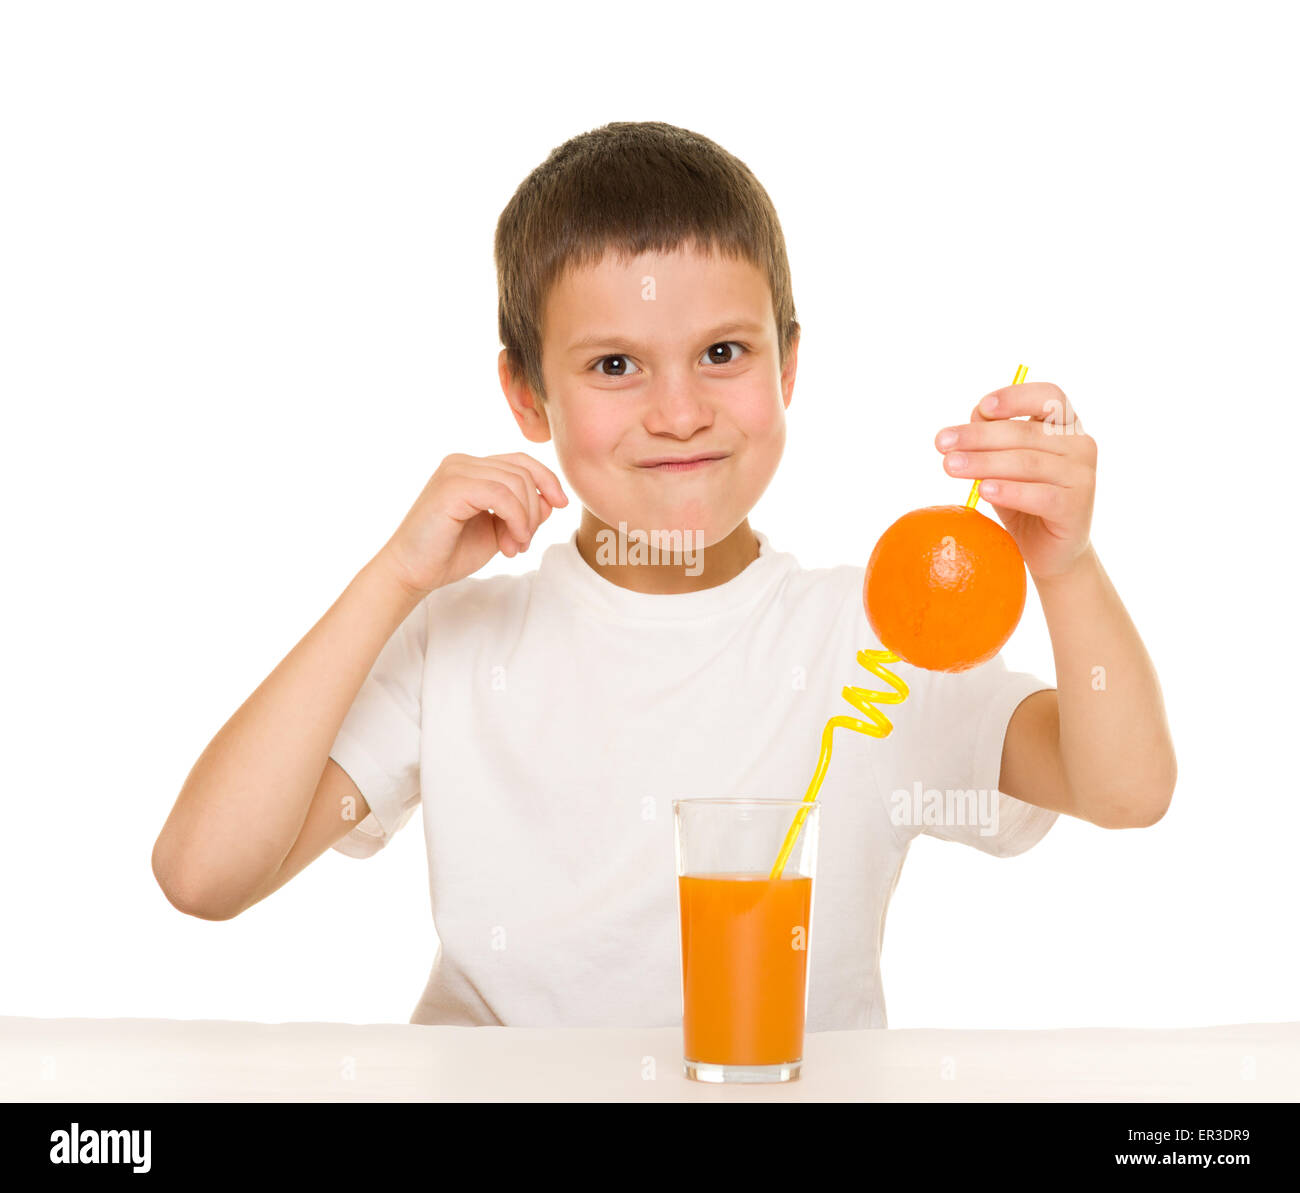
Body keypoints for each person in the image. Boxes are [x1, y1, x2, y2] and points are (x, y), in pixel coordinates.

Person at [152, 121, 1177, 1030]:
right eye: (615, 365)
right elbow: (203, 873)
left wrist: (1066, 566)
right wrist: (392, 578)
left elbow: (1125, 790)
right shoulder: (459, 643)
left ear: (787, 365)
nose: (679, 413)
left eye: (723, 352)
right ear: (526, 394)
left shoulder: (875, 635)